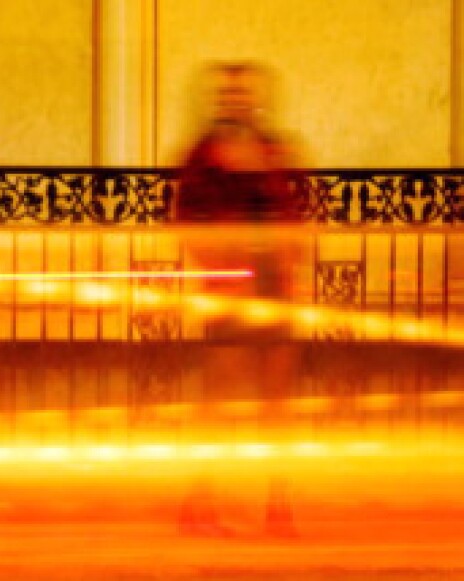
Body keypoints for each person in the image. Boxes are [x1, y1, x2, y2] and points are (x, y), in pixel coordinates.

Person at [174, 62, 304, 538]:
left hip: (273, 291)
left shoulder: (275, 153)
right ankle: (203, 499)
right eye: (228, 96)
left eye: (244, 95)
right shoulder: (204, 157)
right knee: (220, 402)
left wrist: (288, 260)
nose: (237, 103)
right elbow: (186, 219)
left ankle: (277, 502)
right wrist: (219, 263)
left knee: (276, 403)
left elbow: (299, 212)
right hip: (230, 290)